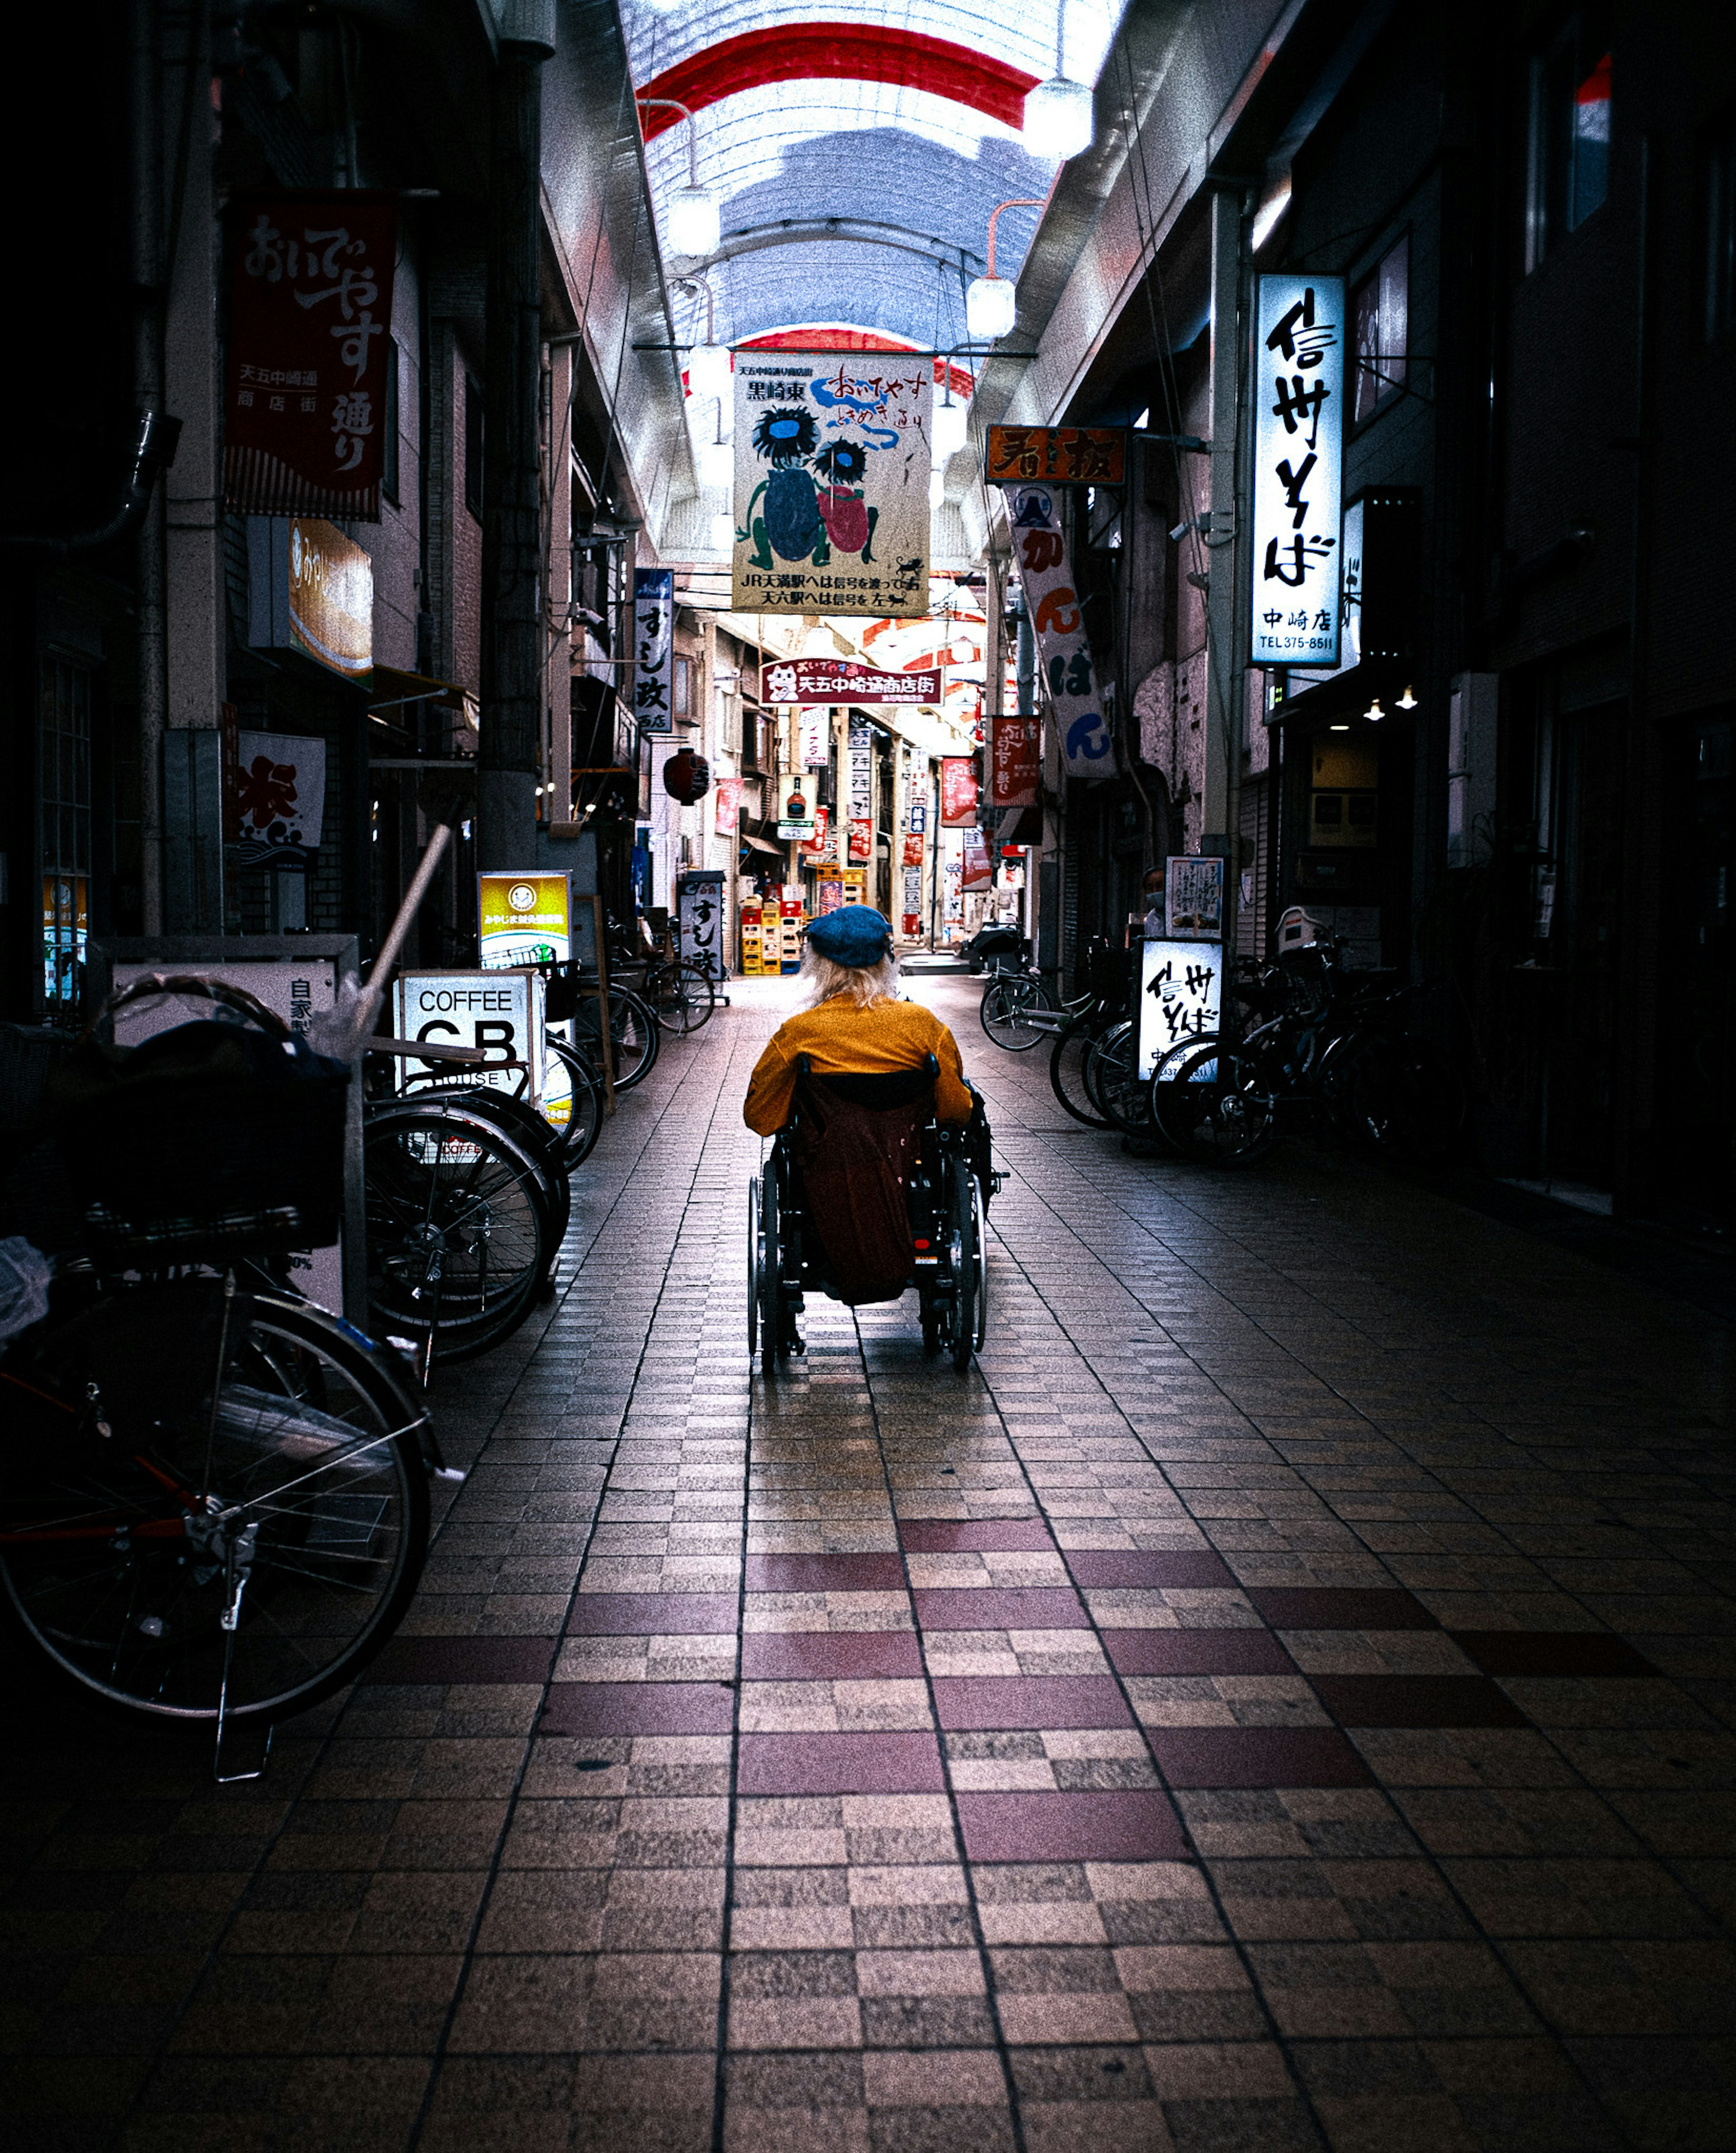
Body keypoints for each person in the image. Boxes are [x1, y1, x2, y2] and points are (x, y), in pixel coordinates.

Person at [744, 905, 974, 1135]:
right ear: (885, 959)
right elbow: (957, 1110)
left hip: (824, 1164)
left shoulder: (799, 1032)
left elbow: (761, 1118)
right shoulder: (922, 1025)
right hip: (910, 1160)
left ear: (819, 965)